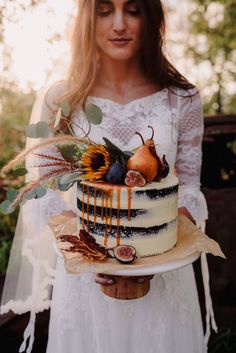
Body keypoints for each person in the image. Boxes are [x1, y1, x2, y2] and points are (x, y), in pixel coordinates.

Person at [1, 0, 216, 352]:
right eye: (105, 10)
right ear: (88, 18)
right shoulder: (62, 98)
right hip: (86, 277)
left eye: (132, 10)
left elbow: (190, 188)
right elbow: (44, 189)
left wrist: (151, 256)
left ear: (150, 19)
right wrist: (89, 253)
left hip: (165, 277)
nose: (119, 24)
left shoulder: (183, 99)